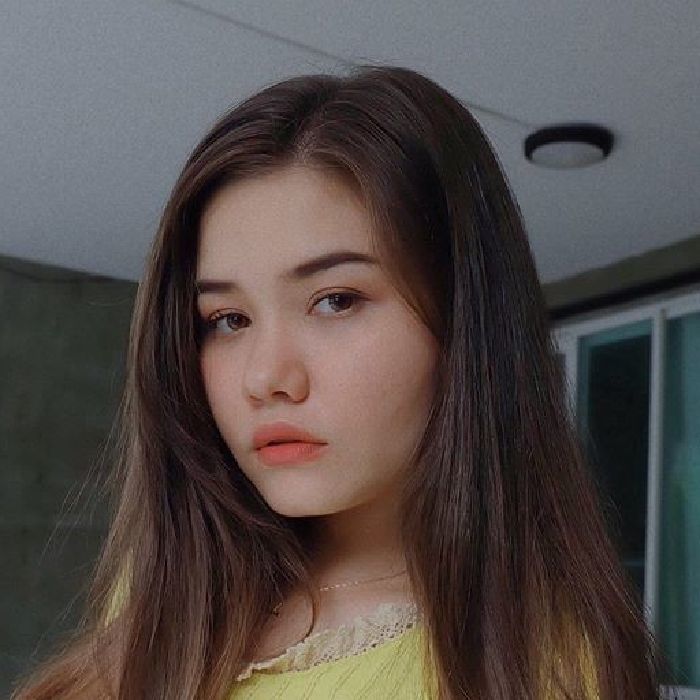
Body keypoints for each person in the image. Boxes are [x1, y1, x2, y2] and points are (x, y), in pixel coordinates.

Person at [11, 64, 671, 699]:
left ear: (463, 323)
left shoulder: (538, 672)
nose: (267, 377)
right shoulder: (175, 590)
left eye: (335, 301)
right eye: (228, 319)